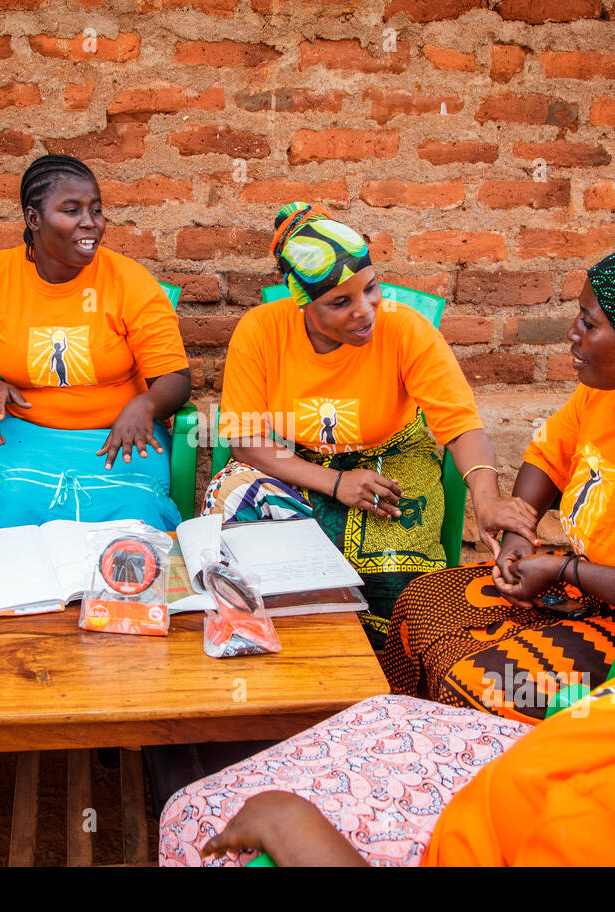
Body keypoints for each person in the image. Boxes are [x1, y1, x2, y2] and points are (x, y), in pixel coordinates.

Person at [160, 386, 615, 865]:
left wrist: (297, 829)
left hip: (468, 835)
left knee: (196, 814)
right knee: (385, 704)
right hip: (506, 783)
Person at [382, 242, 615, 721]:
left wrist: (563, 571)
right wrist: (520, 537)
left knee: (482, 685)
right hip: (591, 591)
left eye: (590, 322)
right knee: (420, 603)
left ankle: (497, 780)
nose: (572, 333)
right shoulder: (605, 396)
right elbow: (546, 458)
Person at [205, 202, 537, 646]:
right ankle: (280, 663)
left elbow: (458, 423)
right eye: (340, 302)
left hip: (395, 461)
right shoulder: (262, 330)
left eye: (371, 288)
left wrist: (487, 500)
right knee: (239, 522)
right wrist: (335, 482)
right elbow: (245, 440)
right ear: (303, 303)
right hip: (300, 463)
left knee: (402, 583)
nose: (365, 311)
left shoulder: (406, 330)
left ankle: (387, 678)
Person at [0, 154, 191, 531]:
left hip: (121, 436)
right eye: (71, 210)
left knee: (133, 516)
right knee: (16, 508)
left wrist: (147, 403)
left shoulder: (130, 281)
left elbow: (174, 376)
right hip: (25, 437)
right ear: (33, 218)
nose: (90, 222)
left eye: (96, 209)